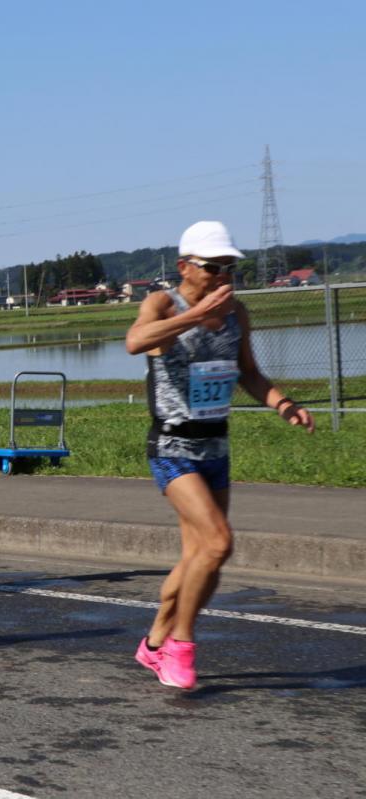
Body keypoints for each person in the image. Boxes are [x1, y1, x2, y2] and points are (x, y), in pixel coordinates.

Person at [126, 220, 314, 690]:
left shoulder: (237, 312)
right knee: (217, 543)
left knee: (198, 557)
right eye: (213, 267)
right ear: (185, 266)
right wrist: (193, 315)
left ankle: (151, 646)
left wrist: (283, 404)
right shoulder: (163, 303)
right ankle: (180, 648)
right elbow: (135, 342)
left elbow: (249, 373)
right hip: (172, 446)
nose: (223, 276)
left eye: (230, 267)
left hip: (216, 445)